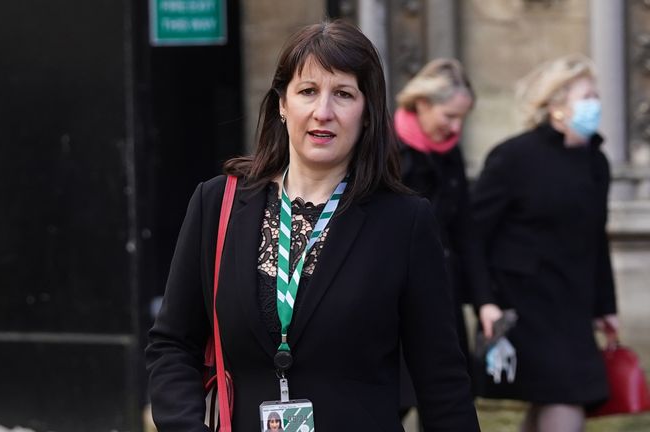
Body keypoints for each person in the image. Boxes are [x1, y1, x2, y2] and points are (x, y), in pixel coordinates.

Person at [145, 20, 479, 431]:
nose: (324, 112)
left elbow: (441, 379)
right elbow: (173, 344)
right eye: (308, 91)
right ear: (282, 104)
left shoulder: (404, 222)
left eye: (343, 94)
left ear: (368, 112)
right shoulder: (217, 203)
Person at [471, 54, 619, 432]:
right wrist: (485, 301)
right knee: (567, 393)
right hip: (525, 302)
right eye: (587, 95)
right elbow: (474, 234)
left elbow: (596, 237)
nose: (596, 104)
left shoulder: (595, 162)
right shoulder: (514, 157)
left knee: (555, 396)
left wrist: (606, 306)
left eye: (596, 95)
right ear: (556, 105)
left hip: (572, 301)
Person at [392, 58, 479, 415]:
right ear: (423, 103)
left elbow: (465, 229)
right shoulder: (384, 149)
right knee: (394, 400)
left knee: (446, 399)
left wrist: (484, 300)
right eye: (449, 116)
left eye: (462, 118)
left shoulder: (451, 153)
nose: (456, 127)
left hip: (443, 289)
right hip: (392, 294)